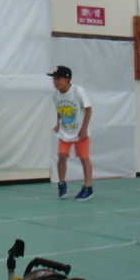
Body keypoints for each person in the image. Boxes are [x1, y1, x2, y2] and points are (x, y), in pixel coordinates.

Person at [48, 65, 94, 201]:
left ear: (67, 79)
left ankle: (88, 187)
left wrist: (84, 129)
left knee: (84, 158)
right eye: (54, 79)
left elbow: (88, 109)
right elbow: (59, 110)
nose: (55, 81)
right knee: (61, 156)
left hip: (80, 132)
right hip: (65, 132)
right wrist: (58, 123)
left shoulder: (78, 91)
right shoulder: (55, 95)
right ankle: (62, 183)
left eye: (58, 79)